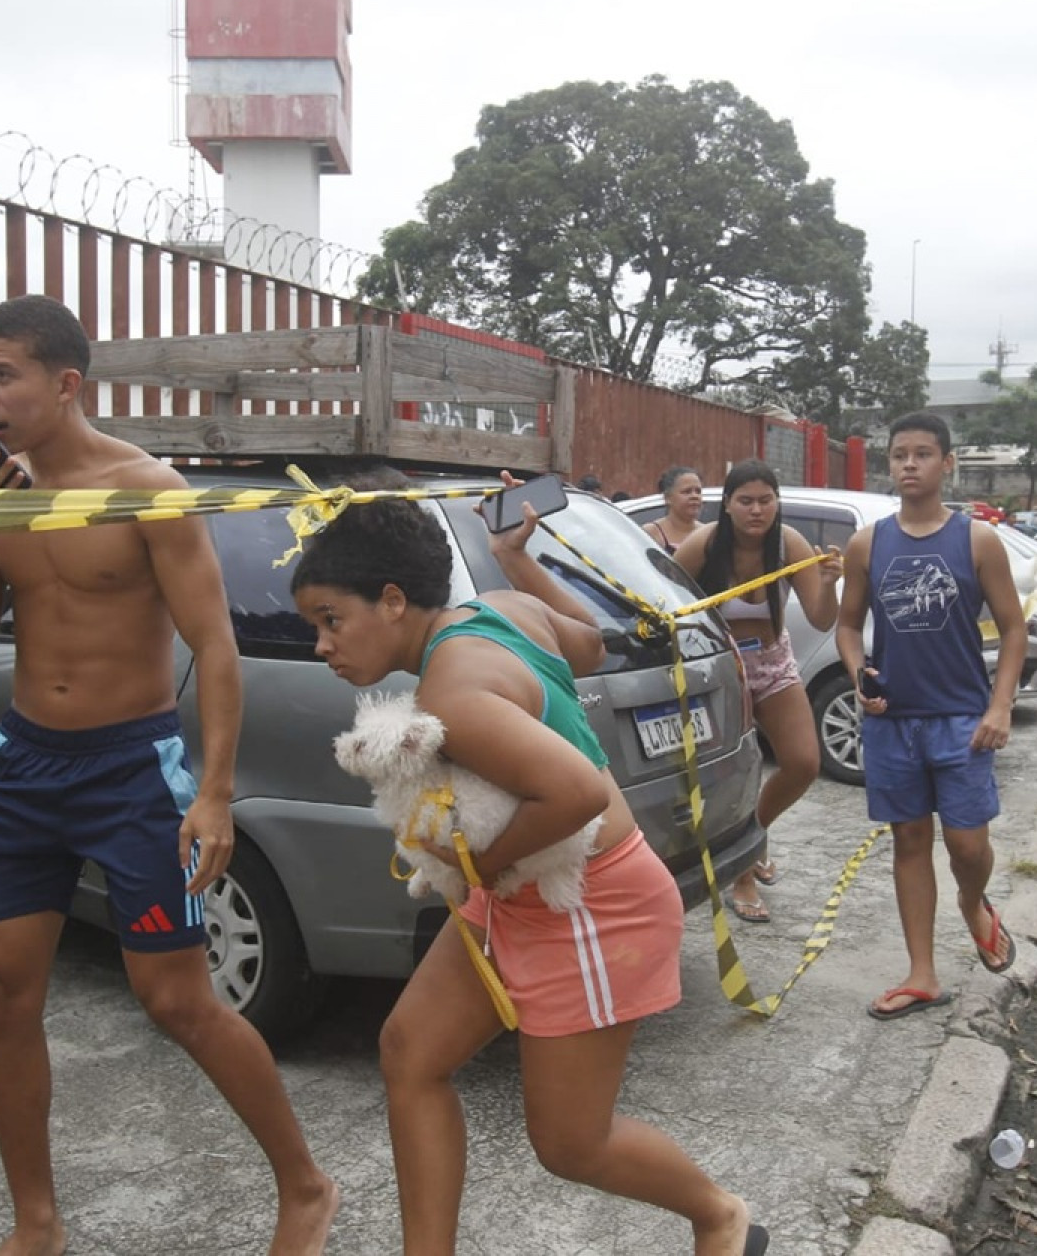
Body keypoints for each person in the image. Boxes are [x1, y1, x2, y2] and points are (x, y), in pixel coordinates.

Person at [0, 295, 337, 1256]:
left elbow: (216, 642)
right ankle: (37, 1221)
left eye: (3, 375)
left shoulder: (143, 487)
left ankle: (307, 1186)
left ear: (64, 384)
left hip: (130, 768)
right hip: (26, 764)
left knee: (179, 1001)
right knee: (2, 990)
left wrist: (215, 792)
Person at [289, 476, 769, 1256]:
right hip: (531, 892)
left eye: (331, 620)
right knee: (411, 1055)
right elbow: (588, 642)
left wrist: (473, 862)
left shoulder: (456, 691)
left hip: (593, 902)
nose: (322, 645)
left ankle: (721, 1217)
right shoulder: (498, 609)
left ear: (391, 599)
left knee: (571, 1144)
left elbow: (576, 793)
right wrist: (520, 559)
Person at [834, 413, 1025, 1021]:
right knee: (910, 841)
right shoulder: (868, 543)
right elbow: (846, 625)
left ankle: (973, 903)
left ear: (947, 464)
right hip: (894, 722)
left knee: (968, 846)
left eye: (922, 454)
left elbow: (1014, 628)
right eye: (898, 455)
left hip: (961, 720)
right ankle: (922, 973)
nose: (908, 464)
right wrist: (856, 672)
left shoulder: (977, 541)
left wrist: (1000, 705)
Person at [671, 460, 841, 922]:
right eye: (745, 500)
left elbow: (823, 619)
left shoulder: (788, 545)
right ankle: (742, 873)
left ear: (777, 503)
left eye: (766, 500)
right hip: (720, 672)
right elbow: (666, 603)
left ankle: (754, 838)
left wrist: (828, 584)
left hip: (772, 664)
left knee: (803, 763)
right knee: (737, 776)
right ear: (726, 505)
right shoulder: (703, 545)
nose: (756, 510)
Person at [642, 466, 704, 555]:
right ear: (667, 498)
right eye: (687, 491)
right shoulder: (651, 532)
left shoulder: (707, 533)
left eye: (698, 491)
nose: (694, 496)